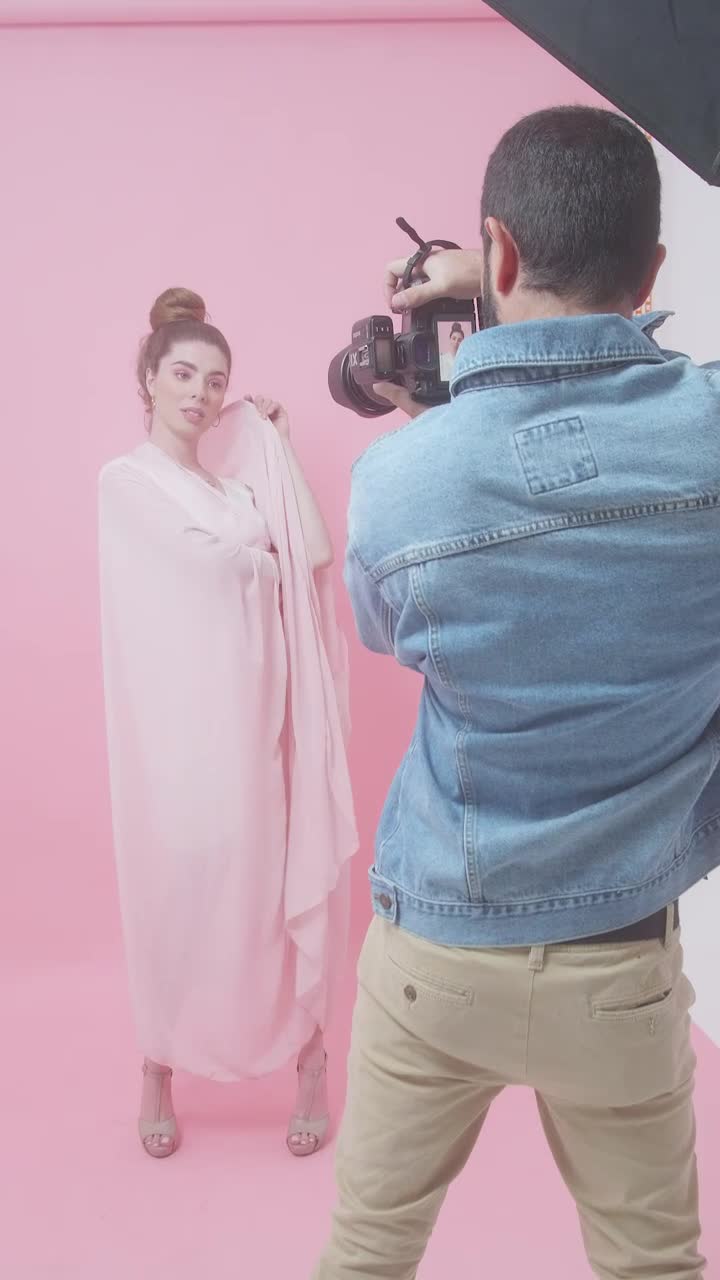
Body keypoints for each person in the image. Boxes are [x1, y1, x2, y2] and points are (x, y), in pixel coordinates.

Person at [313, 107, 719, 1277]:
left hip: (438, 952)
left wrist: (462, 377)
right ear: (653, 271)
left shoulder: (398, 482)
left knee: (368, 1247)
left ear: (495, 250)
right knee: (653, 1259)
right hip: (619, 965)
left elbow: (388, 632)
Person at [99, 288, 357, 1160]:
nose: (201, 395)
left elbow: (312, 552)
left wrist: (280, 449)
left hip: (259, 729)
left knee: (269, 898)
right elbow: (205, 569)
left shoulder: (239, 488)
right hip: (177, 738)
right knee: (175, 897)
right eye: (183, 374)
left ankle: (311, 1061)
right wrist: (259, 548)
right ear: (148, 377)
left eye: (216, 381)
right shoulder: (127, 483)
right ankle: (158, 1062)